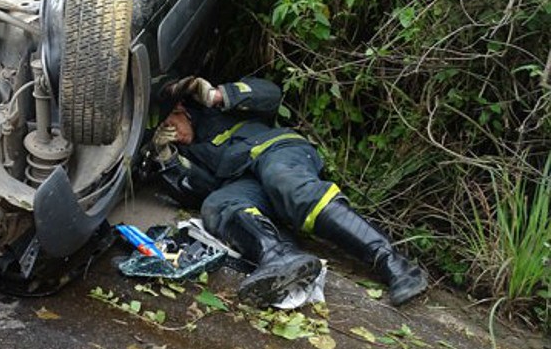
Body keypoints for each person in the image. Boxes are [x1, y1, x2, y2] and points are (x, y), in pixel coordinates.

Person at [150, 76, 428, 307]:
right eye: (162, 129)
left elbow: (271, 94)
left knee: (285, 183)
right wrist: (167, 158)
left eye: (169, 122)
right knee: (217, 204)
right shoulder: (188, 153)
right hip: (246, 183)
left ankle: (393, 262)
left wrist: (218, 96)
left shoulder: (213, 110)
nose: (168, 129)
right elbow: (198, 194)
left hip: (277, 152)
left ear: (180, 110)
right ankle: (279, 258)